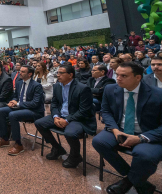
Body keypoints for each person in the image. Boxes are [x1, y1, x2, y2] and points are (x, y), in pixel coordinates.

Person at [92, 62, 162, 194]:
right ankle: (137, 179)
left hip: (147, 132)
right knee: (99, 141)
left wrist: (139, 138)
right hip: (120, 129)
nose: (118, 78)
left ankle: (128, 182)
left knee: (144, 155)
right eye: (117, 74)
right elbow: (105, 112)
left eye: (124, 75)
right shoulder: (110, 89)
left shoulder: (158, 94)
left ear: (138, 77)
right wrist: (115, 130)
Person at [34, 64, 96, 168]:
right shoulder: (57, 85)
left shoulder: (83, 88)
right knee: (39, 123)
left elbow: (84, 111)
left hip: (78, 118)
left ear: (70, 75)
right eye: (57, 73)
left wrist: (67, 120)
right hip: (60, 115)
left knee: (70, 133)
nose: (57, 75)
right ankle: (57, 148)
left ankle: (75, 156)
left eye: (61, 73)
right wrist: (56, 116)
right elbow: (54, 103)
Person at [0, 65, 45, 155]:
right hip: (21, 108)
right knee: (1, 111)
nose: (19, 73)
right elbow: (16, 96)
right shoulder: (19, 83)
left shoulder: (37, 86)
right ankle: (4, 139)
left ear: (30, 74)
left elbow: (35, 103)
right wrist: (13, 101)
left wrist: (17, 104)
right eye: (20, 71)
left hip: (34, 111)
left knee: (13, 115)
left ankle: (18, 144)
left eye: (23, 72)